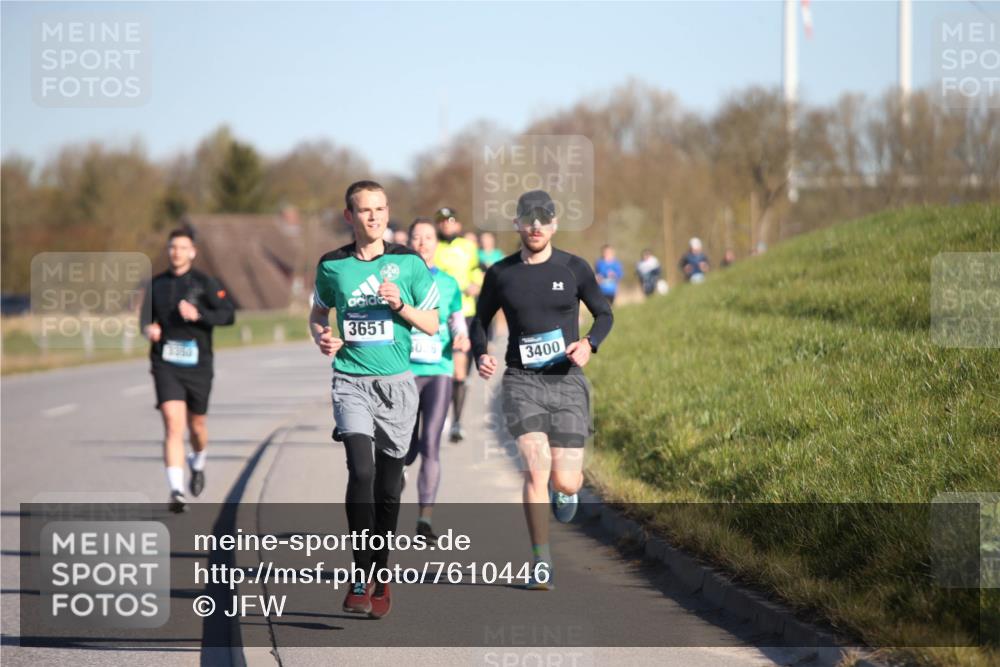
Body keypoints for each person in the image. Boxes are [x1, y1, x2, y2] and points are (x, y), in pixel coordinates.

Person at [471, 190, 613, 590]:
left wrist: (588, 343)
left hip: (566, 382)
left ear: (553, 224)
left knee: (566, 480)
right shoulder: (500, 273)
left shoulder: (574, 268)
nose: (535, 226)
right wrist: (482, 352)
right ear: (517, 223)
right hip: (521, 381)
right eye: (527, 218)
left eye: (543, 219)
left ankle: (564, 493)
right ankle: (540, 558)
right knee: (536, 468)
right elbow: (479, 320)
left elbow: (604, 313)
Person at [310, 180, 440, 619]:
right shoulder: (332, 266)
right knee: (360, 469)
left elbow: (431, 323)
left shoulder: (408, 262)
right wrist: (323, 338)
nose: (375, 217)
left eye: (381, 209)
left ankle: (381, 571)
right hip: (350, 381)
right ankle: (360, 574)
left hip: (398, 386)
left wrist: (401, 305)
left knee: (388, 487)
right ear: (350, 216)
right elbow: (317, 314)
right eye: (365, 210)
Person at [141, 228, 235, 514]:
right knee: (172, 423)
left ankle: (199, 461)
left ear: (192, 252)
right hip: (165, 361)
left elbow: (228, 315)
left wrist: (200, 315)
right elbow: (144, 320)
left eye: (182, 247)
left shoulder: (206, 283)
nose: (176, 252)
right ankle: (177, 491)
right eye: (172, 247)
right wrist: (149, 329)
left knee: (197, 426)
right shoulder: (155, 284)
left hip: (198, 363)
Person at [404, 217, 469, 543]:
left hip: (438, 369)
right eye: (417, 237)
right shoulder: (398, 279)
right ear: (409, 242)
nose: (423, 243)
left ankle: (424, 519)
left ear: (435, 243)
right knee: (406, 447)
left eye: (428, 237)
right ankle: (397, 471)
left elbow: (457, 320)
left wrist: (461, 338)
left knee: (431, 442)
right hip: (404, 372)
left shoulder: (448, 283)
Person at [432, 207, 483, 443]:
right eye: (441, 221)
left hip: (466, 311)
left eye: (450, 221)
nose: (446, 225)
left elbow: (478, 270)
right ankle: (438, 414)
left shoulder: (468, 247)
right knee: (443, 368)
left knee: (460, 371)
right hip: (439, 314)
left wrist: (476, 284)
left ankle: (457, 421)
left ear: (458, 224)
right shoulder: (434, 247)